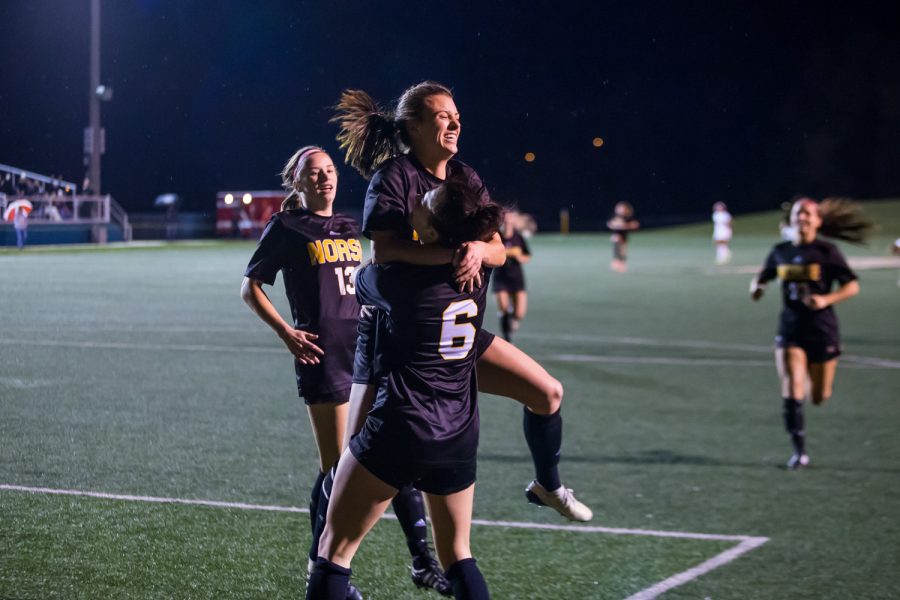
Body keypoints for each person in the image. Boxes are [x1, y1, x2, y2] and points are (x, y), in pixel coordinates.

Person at [331, 81, 592, 523]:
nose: (455, 122)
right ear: (413, 126)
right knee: (350, 464)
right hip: (393, 343)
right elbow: (386, 253)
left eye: (456, 115)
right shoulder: (394, 177)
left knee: (548, 392)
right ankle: (332, 563)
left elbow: (498, 249)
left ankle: (549, 486)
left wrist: (475, 250)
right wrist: (454, 255)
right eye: (442, 115)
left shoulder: (465, 177)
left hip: (455, 335)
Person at [241, 146, 447, 600]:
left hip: (367, 354)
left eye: (330, 171)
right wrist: (287, 334)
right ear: (297, 182)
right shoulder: (287, 226)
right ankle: (324, 571)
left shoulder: (350, 225)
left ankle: (423, 561)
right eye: (313, 174)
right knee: (338, 469)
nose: (325, 179)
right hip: (322, 356)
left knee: (391, 455)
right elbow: (249, 286)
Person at [309, 178, 502, 600]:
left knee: (333, 550)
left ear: (431, 232)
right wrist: (471, 249)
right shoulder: (479, 268)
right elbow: (490, 248)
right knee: (457, 553)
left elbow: (362, 279)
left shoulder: (394, 279)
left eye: (424, 203)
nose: (414, 201)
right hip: (459, 429)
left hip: (403, 425)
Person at [750, 197, 870, 469]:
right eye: (797, 213)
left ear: (817, 221)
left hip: (822, 330)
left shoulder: (827, 251)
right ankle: (799, 452)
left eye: (807, 214)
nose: (802, 218)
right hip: (791, 328)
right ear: (791, 220)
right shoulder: (780, 251)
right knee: (792, 387)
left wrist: (826, 300)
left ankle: (808, 393)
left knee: (819, 396)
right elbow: (762, 277)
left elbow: (852, 286)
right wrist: (756, 288)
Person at [492, 210, 532, 342]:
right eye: (505, 221)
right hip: (500, 277)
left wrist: (520, 257)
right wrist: (509, 252)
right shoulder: (496, 237)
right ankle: (506, 337)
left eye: (509, 221)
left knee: (519, 313)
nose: (507, 223)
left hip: (516, 277)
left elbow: (527, 256)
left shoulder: (518, 237)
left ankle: (512, 320)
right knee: (503, 308)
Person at [606, 201, 639, 272]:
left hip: (624, 236)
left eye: (623, 209)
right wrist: (616, 225)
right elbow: (610, 224)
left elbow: (635, 224)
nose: (621, 210)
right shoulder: (615, 217)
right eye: (620, 209)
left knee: (623, 250)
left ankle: (622, 263)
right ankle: (616, 261)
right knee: (616, 242)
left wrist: (625, 226)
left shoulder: (628, 218)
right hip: (616, 235)